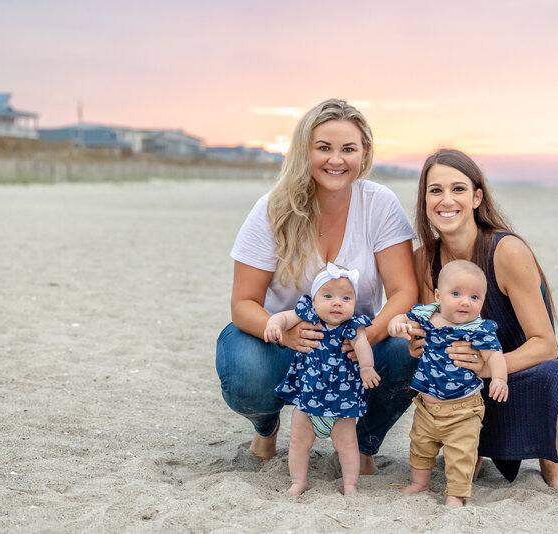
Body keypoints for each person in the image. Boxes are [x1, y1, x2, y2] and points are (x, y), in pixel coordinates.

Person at [215, 99, 418, 478]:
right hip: (284, 342)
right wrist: (283, 331)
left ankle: (362, 444)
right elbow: (243, 303)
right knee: (244, 369)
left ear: (365, 153)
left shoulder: (379, 204)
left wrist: (369, 335)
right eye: (323, 147)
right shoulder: (273, 208)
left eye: (348, 149)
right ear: (304, 151)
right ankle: (267, 427)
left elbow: (404, 290)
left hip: (354, 345)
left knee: (410, 347)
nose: (335, 160)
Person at [409, 148, 558, 492]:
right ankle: (471, 449)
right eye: (436, 190)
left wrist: (488, 366)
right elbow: (427, 327)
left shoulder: (506, 251)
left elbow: (545, 345)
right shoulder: (422, 259)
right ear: (425, 200)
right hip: (459, 394)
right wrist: (417, 343)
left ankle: (551, 458)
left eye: (458, 189)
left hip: (515, 379)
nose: (447, 200)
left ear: (477, 197)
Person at [388, 259, 508, 506]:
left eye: (475, 297)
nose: (466, 302)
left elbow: (494, 355)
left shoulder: (478, 329)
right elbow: (400, 318)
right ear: (438, 295)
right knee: (420, 446)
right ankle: (419, 483)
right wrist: (396, 324)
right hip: (426, 406)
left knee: (461, 455)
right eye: (456, 294)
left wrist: (499, 378)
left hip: (463, 410)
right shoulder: (426, 315)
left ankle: (455, 494)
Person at [265, 263, 380, 496]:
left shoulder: (353, 326)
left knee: (348, 446)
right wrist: (274, 325)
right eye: (328, 296)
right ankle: (298, 481)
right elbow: (283, 318)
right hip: (308, 402)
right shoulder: (306, 314)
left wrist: (366, 367)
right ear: (314, 300)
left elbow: (362, 345)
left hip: (342, 404)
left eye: (346, 298)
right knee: (299, 444)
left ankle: (350, 485)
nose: (337, 302)